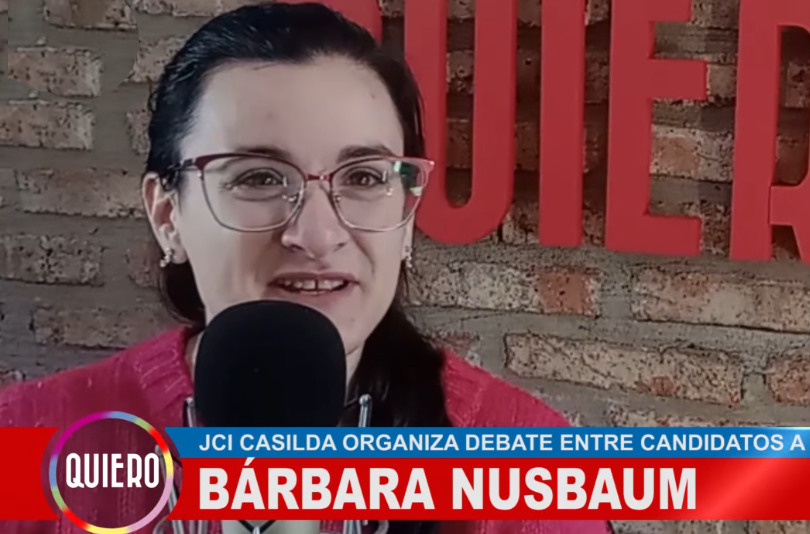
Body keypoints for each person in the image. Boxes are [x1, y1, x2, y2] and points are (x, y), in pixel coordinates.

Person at [0, 3, 614, 534]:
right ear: (168, 215)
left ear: (406, 214)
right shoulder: (25, 442)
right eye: (258, 177)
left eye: (364, 177)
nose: (317, 235)